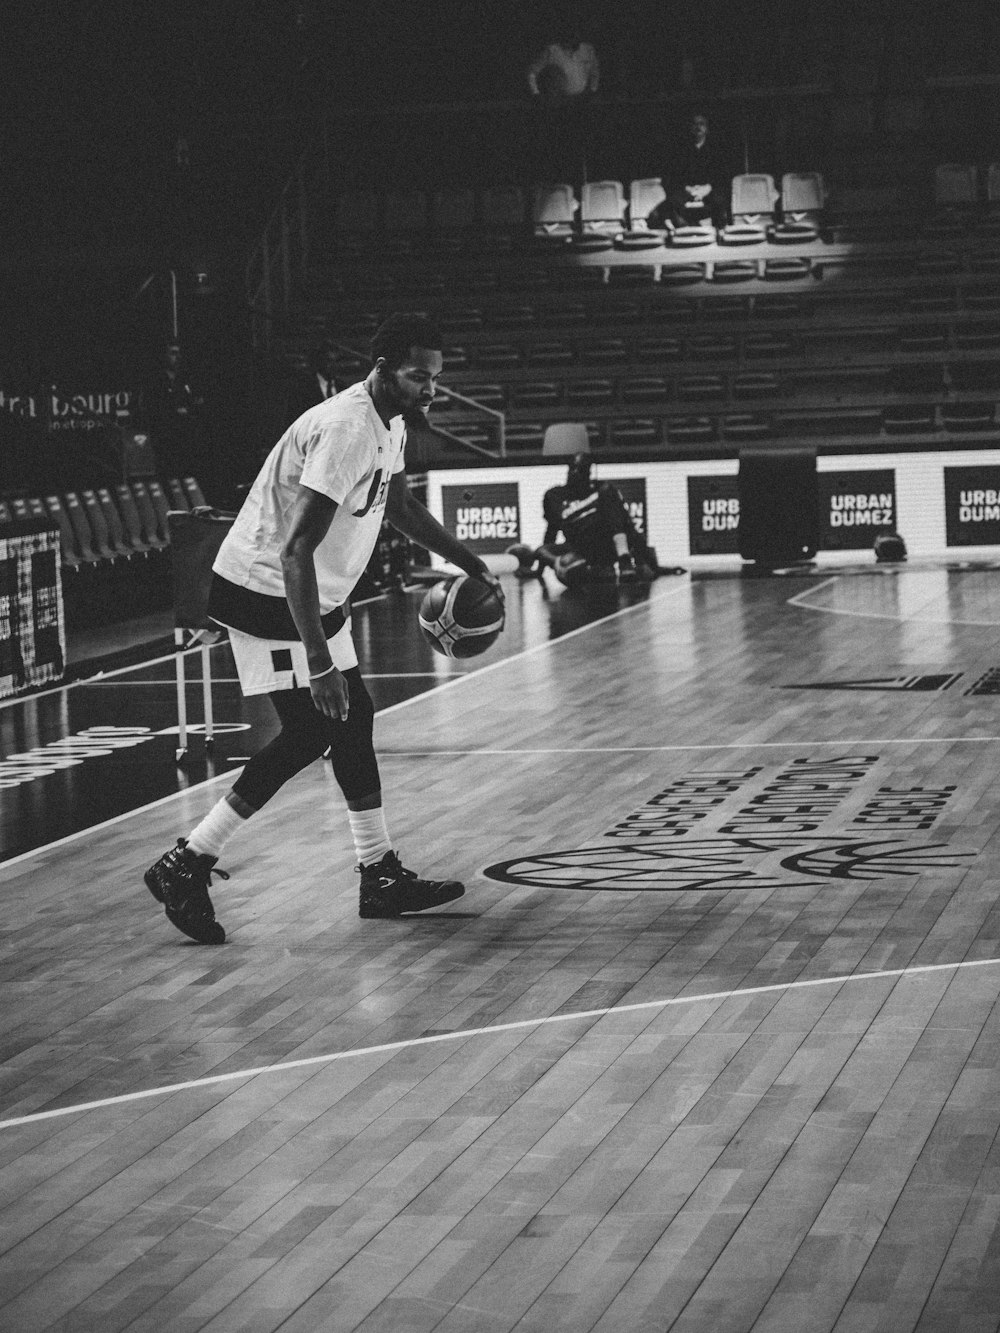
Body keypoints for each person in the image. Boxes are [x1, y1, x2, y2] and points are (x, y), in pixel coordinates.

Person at [144, 313, 504, 944]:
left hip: (312, 593)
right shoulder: (345, 430)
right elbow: (293, 552)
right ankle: (187, 862)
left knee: (353, 720)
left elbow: (397, 504)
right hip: (268, 592)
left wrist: (469, 561)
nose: (431, 389)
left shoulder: (385, 420)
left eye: (436, 378)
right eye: (421, 376)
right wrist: (319, 663)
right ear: (384, 365)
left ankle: (378, 874)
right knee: (315, 727)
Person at [508, 455, 658, 587]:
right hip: (578, 549)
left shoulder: (603, 489)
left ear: (589, 473)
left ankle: (624, 560)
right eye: (572, 469)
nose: (574, 473)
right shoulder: (554, 495)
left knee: (611, 498)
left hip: (605, 545)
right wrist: (539, 571)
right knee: (541, 550)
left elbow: (627, 526)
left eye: (580, 470)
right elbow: (551, 530)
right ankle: (568, 567)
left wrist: (655, 566)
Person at [661, 111, 732, 231]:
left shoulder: (716, 150)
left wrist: (708, 188)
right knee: (671, 202)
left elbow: (722, 174)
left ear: (706, 129)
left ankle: (719, 232)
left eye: (701, 124)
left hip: (709, 189)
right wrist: (688, 188)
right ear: (691, 128)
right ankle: (684, 231)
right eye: (695, 124)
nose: (698, 127)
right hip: (688, 189)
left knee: (720, 200)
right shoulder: (681, 151)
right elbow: (676, 175)